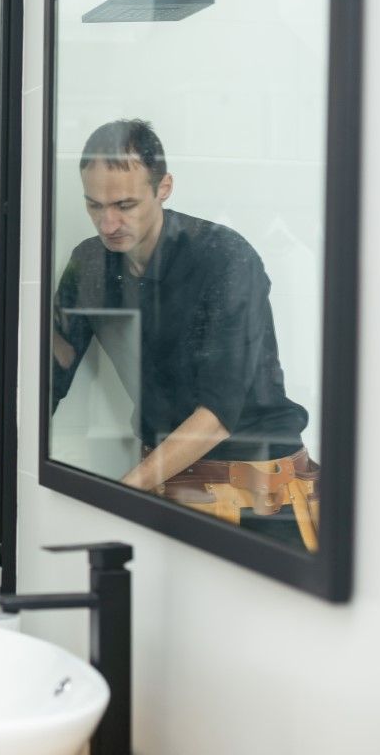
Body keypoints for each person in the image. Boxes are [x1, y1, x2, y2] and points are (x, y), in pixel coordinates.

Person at [51, 119, 320, 552]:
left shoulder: (224, 257)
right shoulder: (90, 263)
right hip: (163, 485)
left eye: (124, 204)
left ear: (164, 188)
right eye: (94, 206)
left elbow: (217, 415)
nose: (108, 223)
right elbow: (50, 374)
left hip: (260, 503)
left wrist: (121, 494)